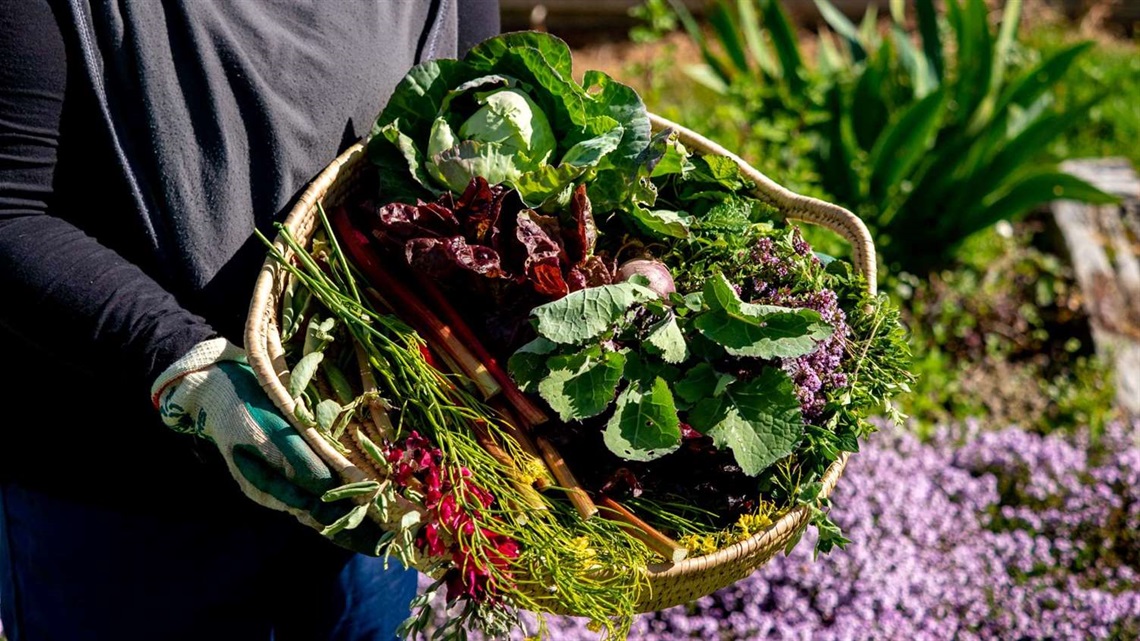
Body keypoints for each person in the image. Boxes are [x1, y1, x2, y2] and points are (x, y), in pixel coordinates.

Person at [0, 1, 500, 639]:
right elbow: (11, 210)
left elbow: (471, 155)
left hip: (363, 488)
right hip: (123, 507)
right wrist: (186, 366)